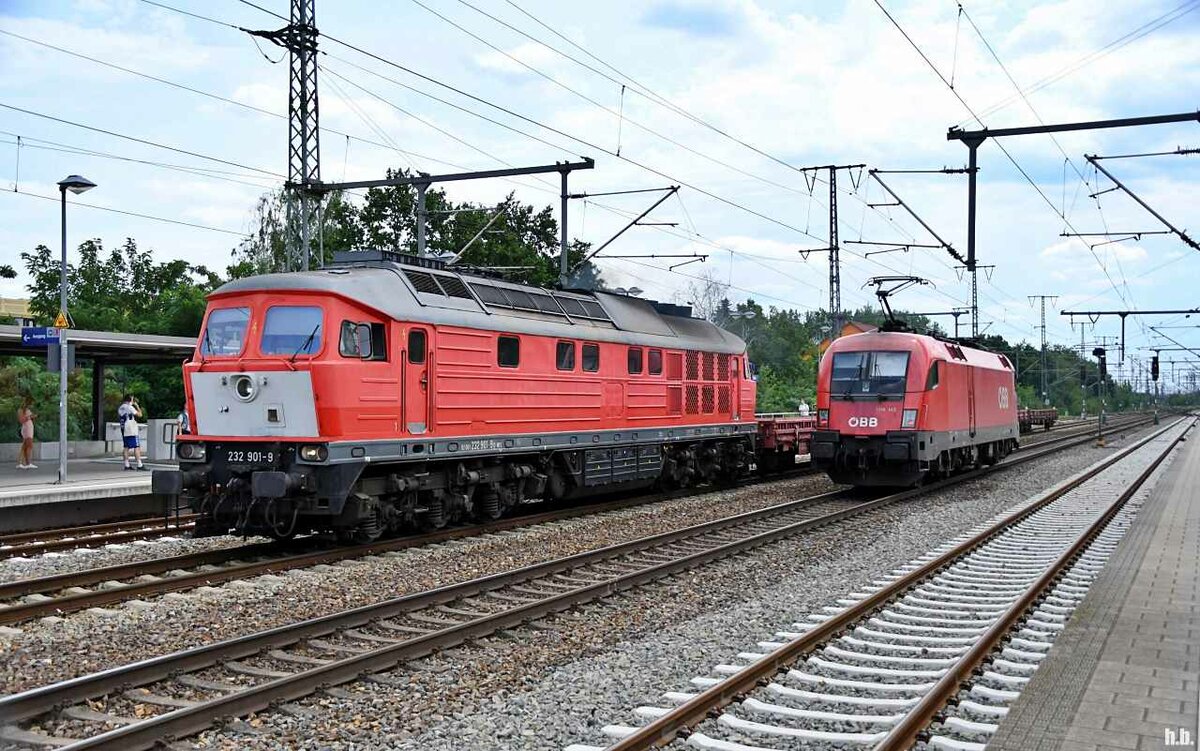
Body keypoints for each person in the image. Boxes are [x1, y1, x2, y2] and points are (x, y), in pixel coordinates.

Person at [118, 394, 146, 471]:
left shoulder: (121, 407)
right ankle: (140, 464)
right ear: (130, 400)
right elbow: (140, 415)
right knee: (136, 446)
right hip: (131, 429)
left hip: (124, 428)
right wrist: (137, 406)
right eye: (132, 400)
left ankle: (127, 465)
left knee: (126, 447)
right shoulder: (129, 407)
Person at [16, 396, 36, 470]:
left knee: (25, 445)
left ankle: (23, 462)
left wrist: (32, 417)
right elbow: (21, 420)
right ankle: (27, 462)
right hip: (26, 428)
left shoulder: (27, 410)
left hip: (29, 427)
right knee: (29, 445)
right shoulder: (21, 410)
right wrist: (29, 417)